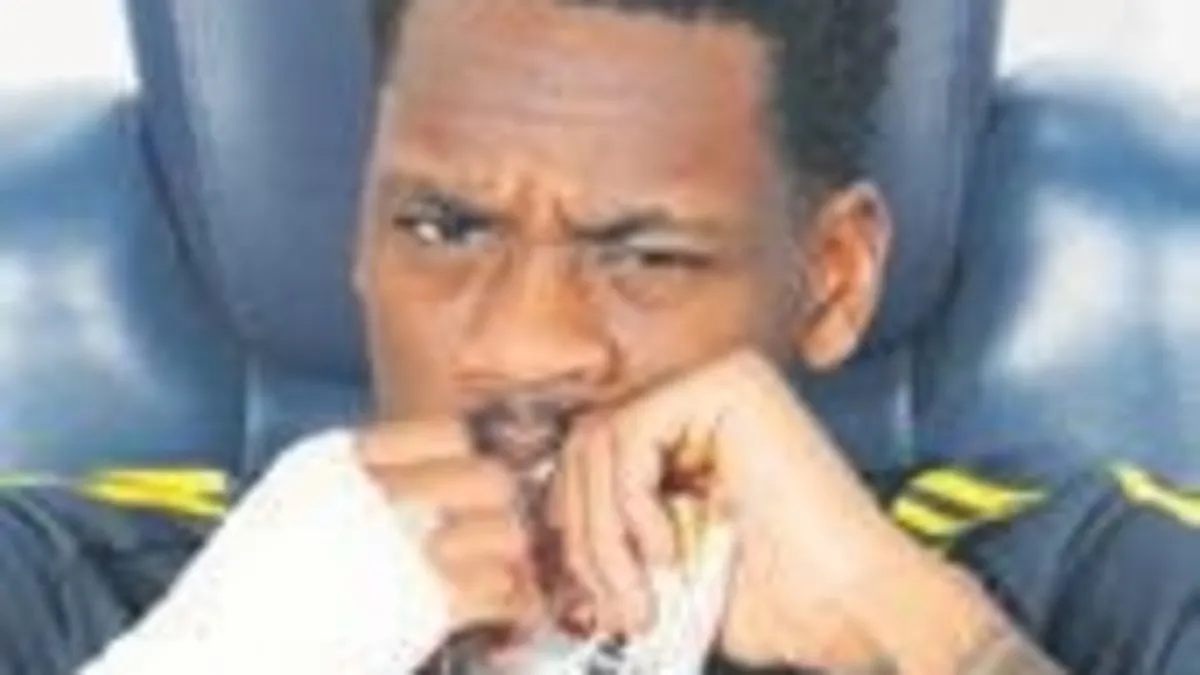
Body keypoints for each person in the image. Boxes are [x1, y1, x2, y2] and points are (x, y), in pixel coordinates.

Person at [2, 0, 1200, 672]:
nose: (522, 348)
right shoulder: (72, 581)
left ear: (832, 281)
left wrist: (921, 637)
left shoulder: (1090, 578)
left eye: (646, 257)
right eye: (444, 227)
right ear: (361, 233)